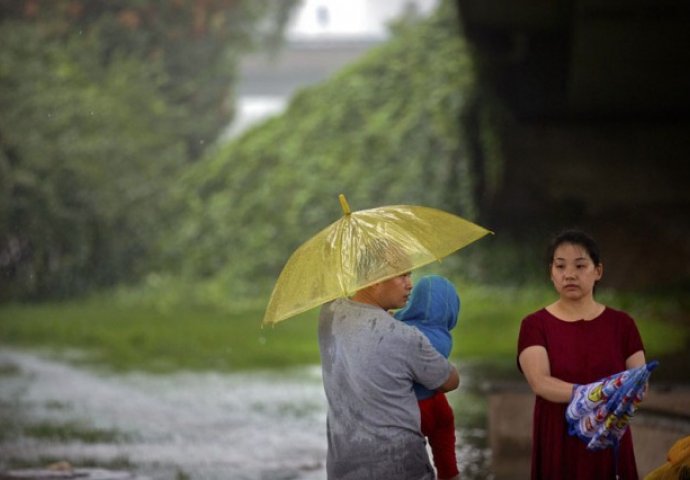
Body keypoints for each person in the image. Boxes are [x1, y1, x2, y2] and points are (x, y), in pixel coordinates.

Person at [517, 228, 646, 479]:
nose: (569, 275)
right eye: (560, 266)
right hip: (559, 436)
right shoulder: (535, 325)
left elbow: (640, 382)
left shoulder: (622, 325)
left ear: (598, 271)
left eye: (580, 266)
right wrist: (592, 394)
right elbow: (540, 382)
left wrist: (624, 391)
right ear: (551, 273)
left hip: (608, 436)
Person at [318, 271, 460, 480]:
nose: (410, 284)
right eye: (402, 276)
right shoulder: (404, 335)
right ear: (375, 279)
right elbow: (450, 381)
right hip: (399, 467)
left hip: (342, 469)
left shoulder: (329, 314)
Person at [395, 275, 461, 480]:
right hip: (437, 403)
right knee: (444, 439)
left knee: (411, 456)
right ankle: (449, 473)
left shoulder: (402, 329)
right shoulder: (442, 337)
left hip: (413, 407)